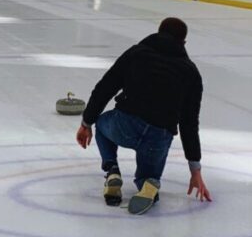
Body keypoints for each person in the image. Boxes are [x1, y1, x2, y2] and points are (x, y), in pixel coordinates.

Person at [76, 17, 211, 215]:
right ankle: (149, 185)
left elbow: (105, 87)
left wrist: (87, 122)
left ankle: (112, 170)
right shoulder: (190, 72)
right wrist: (195, 168)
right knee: (147, 179)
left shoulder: (136, 53)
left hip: (125, 125)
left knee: (102, 125)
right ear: (183, 42)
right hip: (159, 135)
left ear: (158, 32)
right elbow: (189, 123)